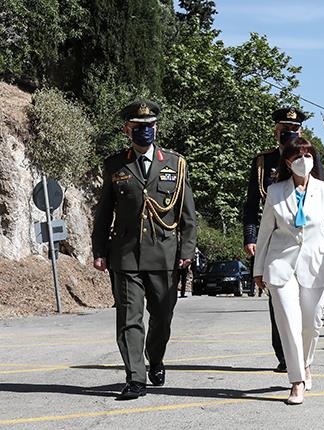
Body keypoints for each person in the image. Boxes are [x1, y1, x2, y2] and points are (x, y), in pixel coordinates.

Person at [91, 100, 197, 400]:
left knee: (162, 317)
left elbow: (188, 213)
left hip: (164, 254)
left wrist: (187, 249)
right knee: (129, 318)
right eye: (138, 128)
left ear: (156, 128)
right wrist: (99, 249)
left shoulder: (175, 163)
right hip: (124, 254)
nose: (144, 132)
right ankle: (135, 378)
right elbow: (104, 212)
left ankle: (156, 358)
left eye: (149, 126)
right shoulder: (115, 165)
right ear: (127, 130)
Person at [253, 136, 324, 405]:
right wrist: (258, 269)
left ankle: (306, 364)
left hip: (317, 265)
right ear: (287, 162)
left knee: (311, 323)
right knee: (289, 323)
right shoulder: (275, 191)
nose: (303, 161)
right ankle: (296, 381)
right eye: (297, 157)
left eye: (308, 156)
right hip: (280, 265)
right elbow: (265, 233)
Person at [242, 107, 312, 373]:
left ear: (300, 132)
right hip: (274, 239)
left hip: (306, 241)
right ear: (276, 131)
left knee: (306, 303)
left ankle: (302, 353)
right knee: (279, 302)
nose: (289, 134)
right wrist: (250, 237)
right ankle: (285, 355)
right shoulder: (263, 163)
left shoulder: (309, 157)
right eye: (285, 130)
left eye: (294, 130)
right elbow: (250, 204)